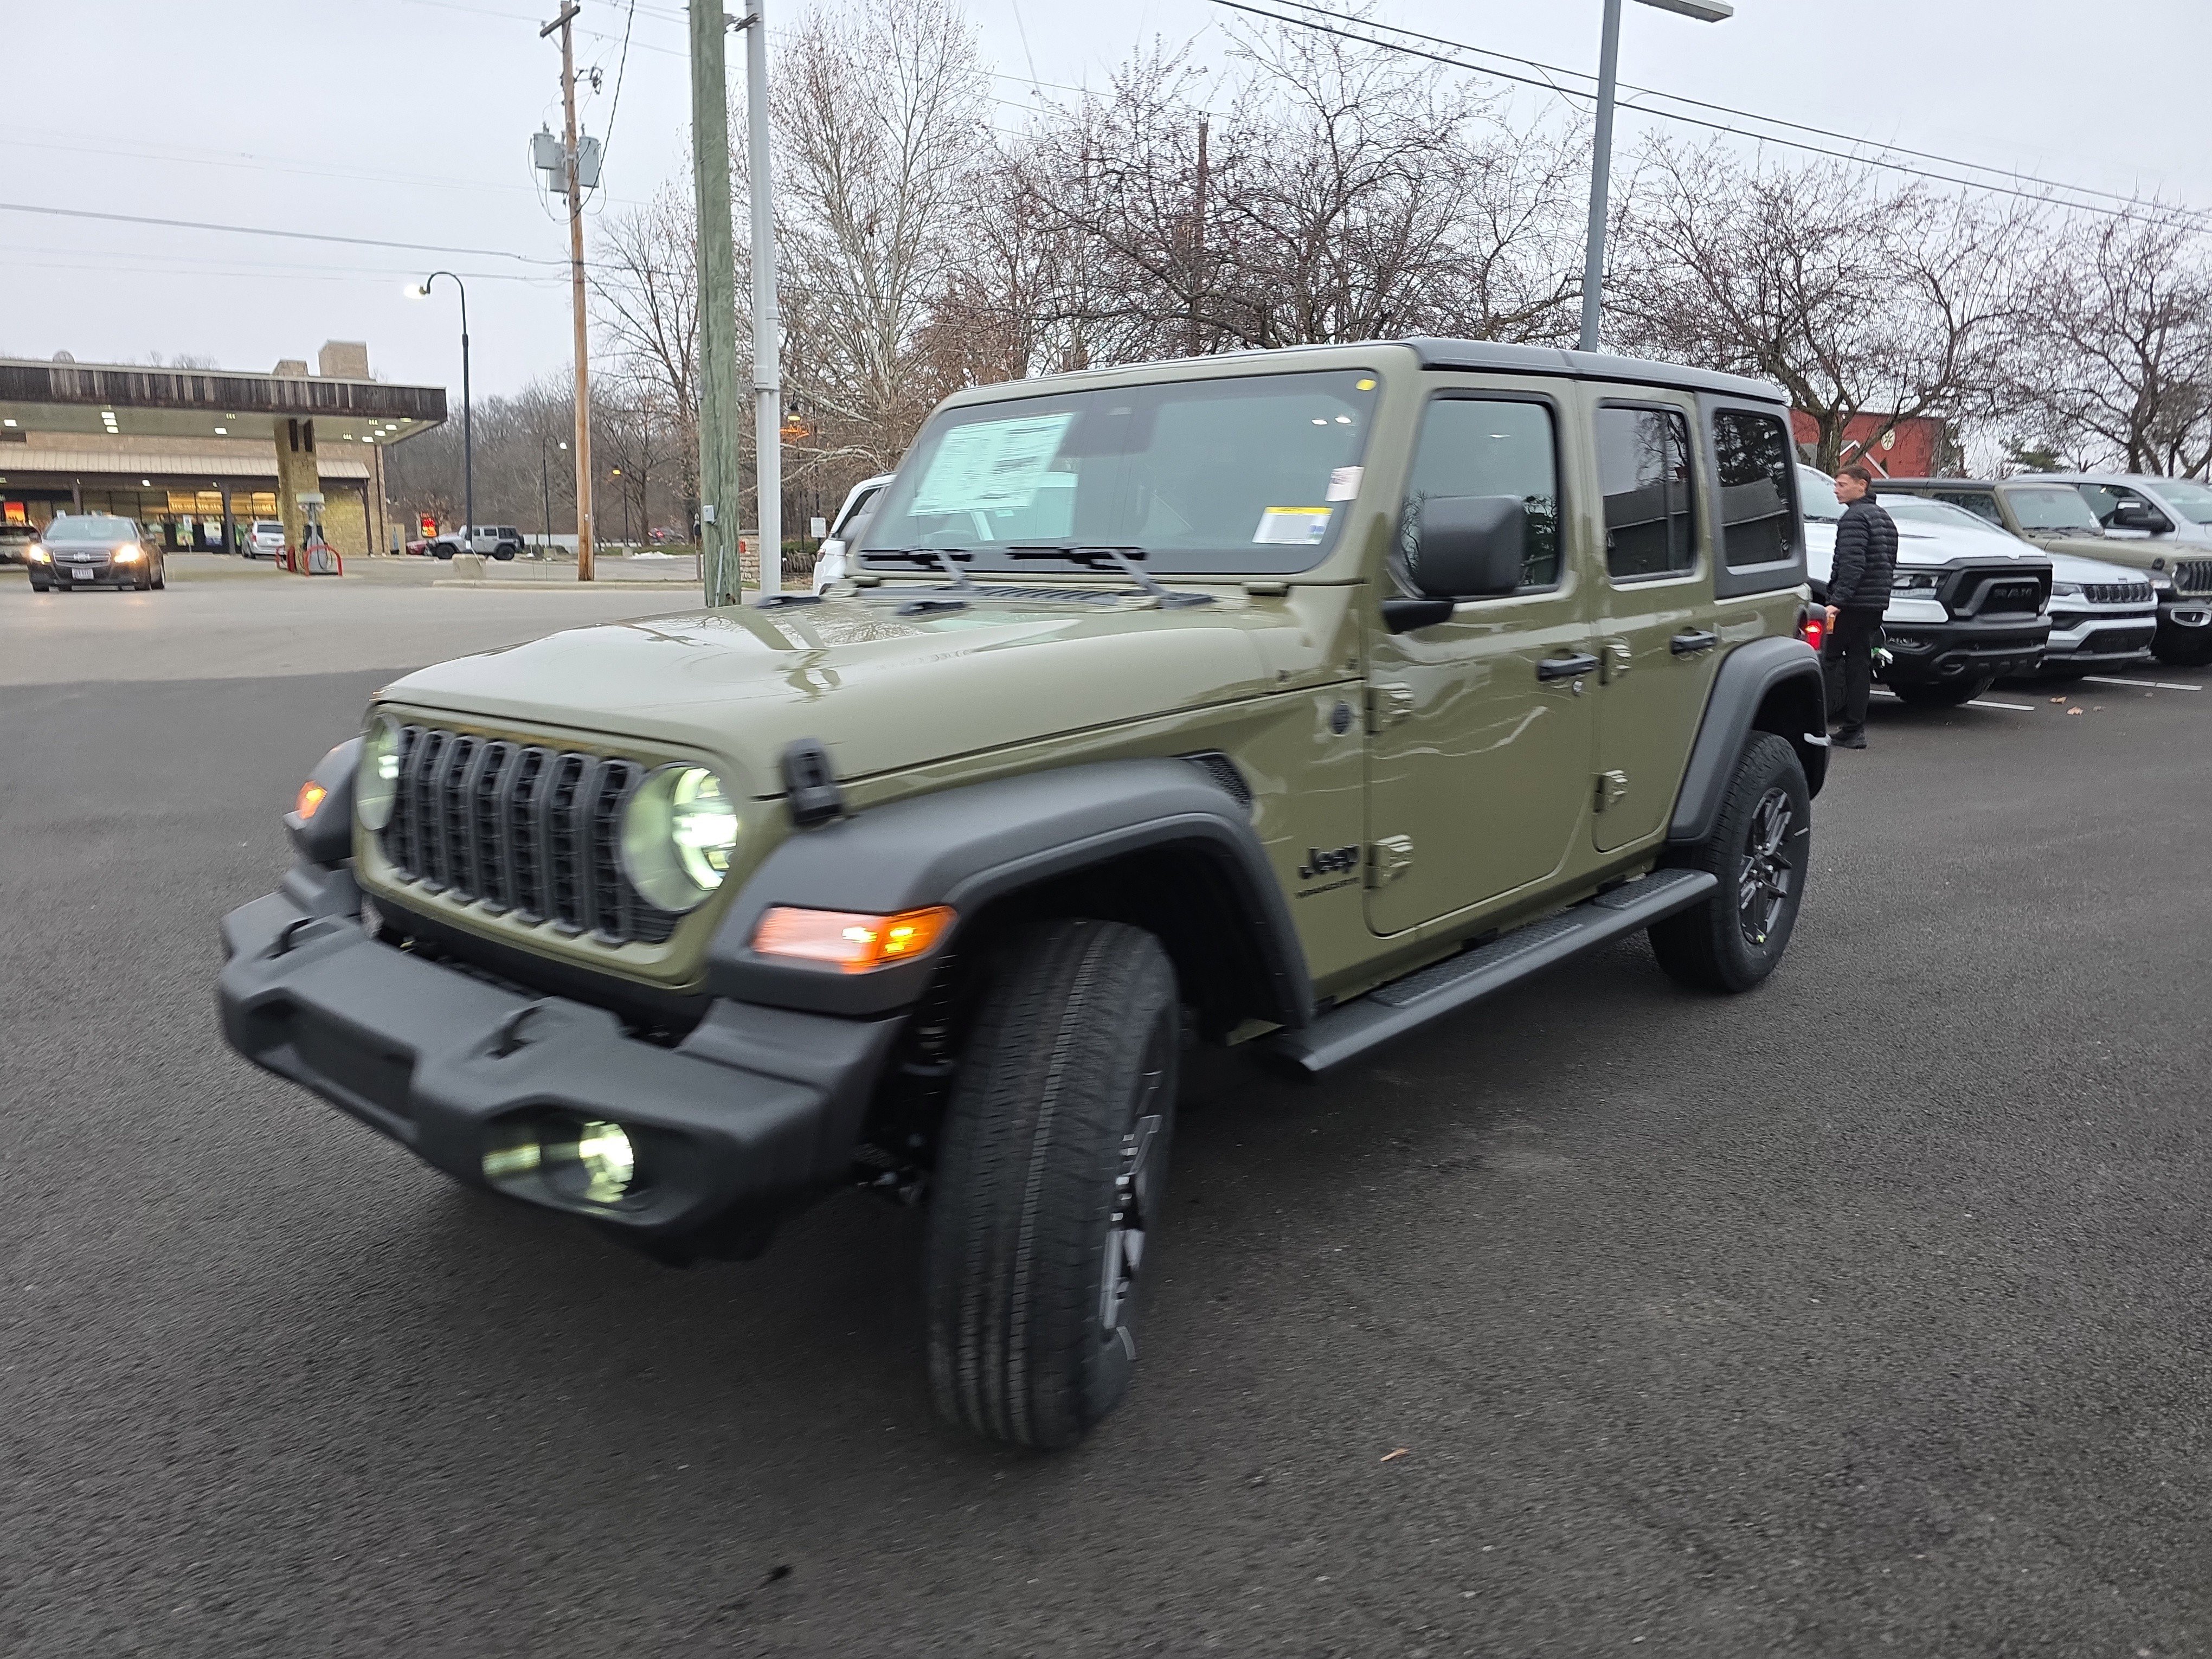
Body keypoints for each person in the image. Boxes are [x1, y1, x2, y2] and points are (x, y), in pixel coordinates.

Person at [1824, 465, 1896, 750]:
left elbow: (1852, 566)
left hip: (1852, 603)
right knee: (1859, 665)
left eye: (1842, 484)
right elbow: (1888, 563)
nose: (1836, 489)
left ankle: (1812, 724)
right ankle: (1854, 730)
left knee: (1826, 660)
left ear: (1862, 485)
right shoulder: (1884, 518)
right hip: (1874, 604)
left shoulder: (1853, 518)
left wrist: (1836, 603)